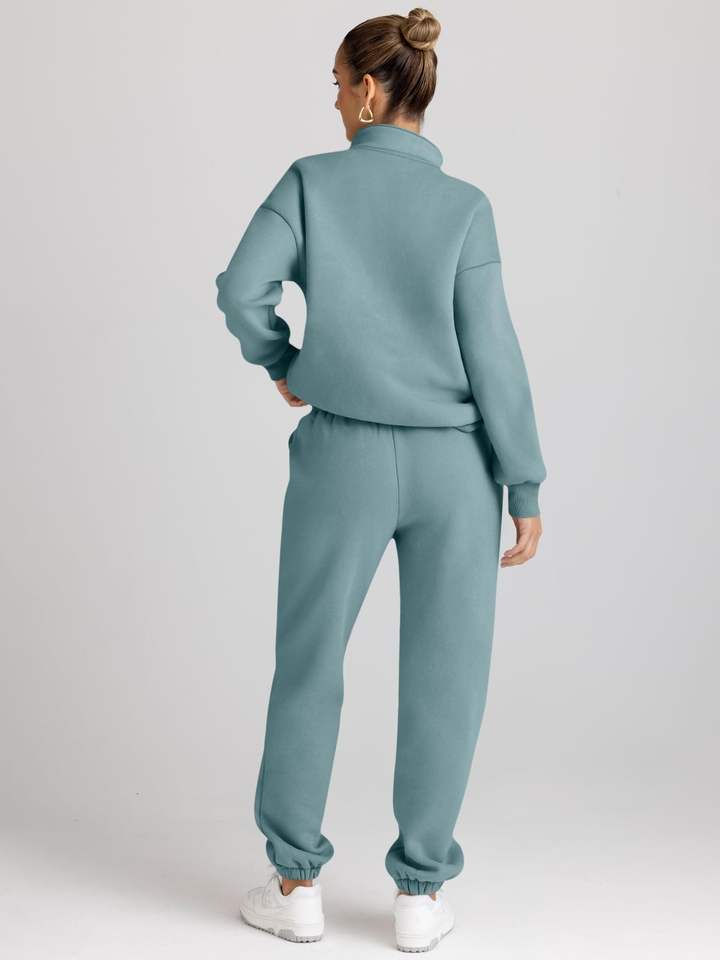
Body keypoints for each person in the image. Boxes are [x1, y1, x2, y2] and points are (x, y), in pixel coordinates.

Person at [215, 7, 547, 952]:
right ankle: (420, 896)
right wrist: (523, 484)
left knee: (309, 657)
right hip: (457, 468)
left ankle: (295, 885)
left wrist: (281, 360)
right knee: (448, 675)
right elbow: (495, 355)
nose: (332, 100)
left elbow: (241, 290)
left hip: (344, 456)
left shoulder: (310, 183)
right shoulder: (465, 207)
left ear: (367, 89)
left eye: (335, 84)